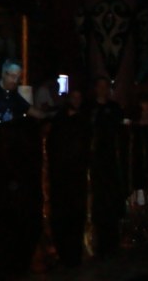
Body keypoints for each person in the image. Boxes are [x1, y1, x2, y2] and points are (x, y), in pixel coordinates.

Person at [48, 87, 90, 268]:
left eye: (79, 97)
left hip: (77, 174)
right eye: (74, 97)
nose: (77, 100)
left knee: (75, 214)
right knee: (62, 214)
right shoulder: (60, 119)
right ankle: (62, 252)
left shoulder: (84, 119)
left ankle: (73, 254)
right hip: (61, 174)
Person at [88, 76, 126, 258]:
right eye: (100, 86)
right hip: (94, 160)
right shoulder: (90, 108)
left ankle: (112, 239)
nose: (103, 90)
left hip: (110, 161)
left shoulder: (114, 108)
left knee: (111, 199)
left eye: (106, 87)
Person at [0, 59, 48, 123]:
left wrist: (49, 116)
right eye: (13, 76)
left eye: (18, 78)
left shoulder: (14, 95)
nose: (15, 81)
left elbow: (33, 111)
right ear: (3, 73)